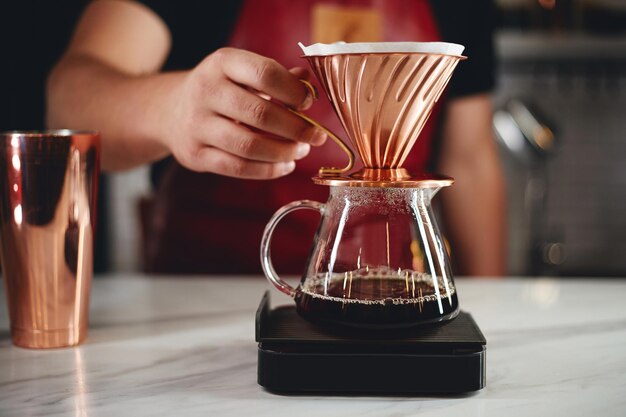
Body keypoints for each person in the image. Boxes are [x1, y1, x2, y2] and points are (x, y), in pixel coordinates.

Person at [47, 0, 506, 276]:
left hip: (383, 289)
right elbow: (68, 100)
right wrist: (169, 107)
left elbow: (469, 159)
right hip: (198, 293)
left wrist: (493, 308)